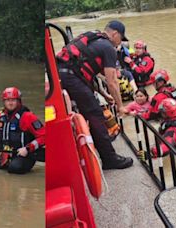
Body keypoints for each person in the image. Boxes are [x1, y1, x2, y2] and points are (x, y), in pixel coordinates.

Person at [56, 20, 133, 170]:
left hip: (61, 74)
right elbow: (112, 82)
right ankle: (109, 159)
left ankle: (88, 147)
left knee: (86, 111)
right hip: (71, 78)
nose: (119, 43)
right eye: (120, 39)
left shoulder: (92, 37)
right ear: (115, 34)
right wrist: (120, 106)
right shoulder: (108, 48)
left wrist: (104, 94)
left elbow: (87, 71)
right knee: (96, 115)